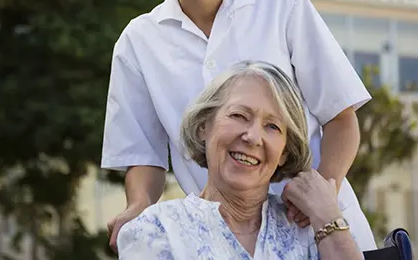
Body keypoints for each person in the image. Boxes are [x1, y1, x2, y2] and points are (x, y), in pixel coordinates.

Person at [101, 0, 376, 252]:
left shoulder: (284, 8)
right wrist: (139, 207)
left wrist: (320, 193)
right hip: (220, 238)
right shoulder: (138, 41)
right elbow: (143, 155)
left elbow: (341, 119)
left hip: (319, 229)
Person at [117, 61, 363, 259]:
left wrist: (328, 215)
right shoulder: (156, 230)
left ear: (284, 153)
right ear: (204, 126)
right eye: (238, 115)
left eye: (272, 127)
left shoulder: (311, 230)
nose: (253, 137)